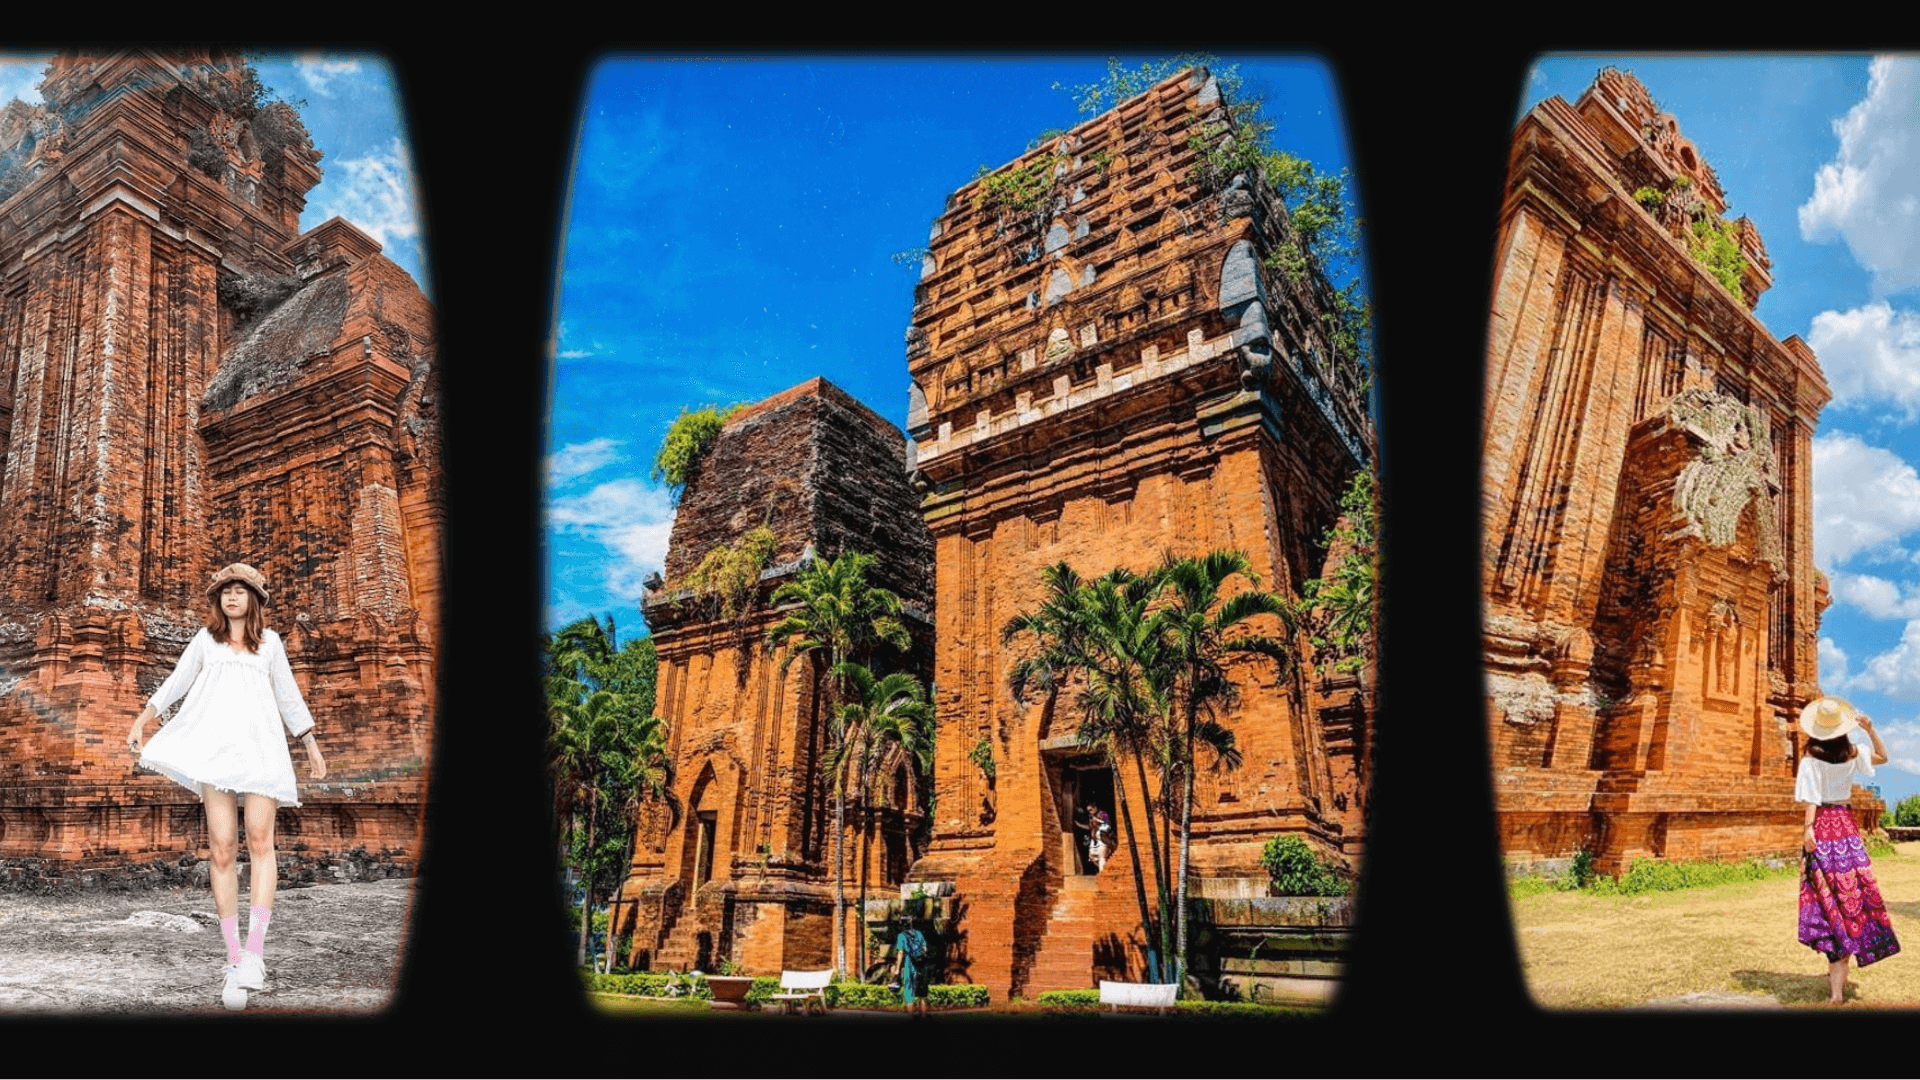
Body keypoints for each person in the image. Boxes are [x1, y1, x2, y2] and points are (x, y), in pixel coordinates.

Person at [126, 563, 326, 1011]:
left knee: (260, 841)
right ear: (218, 601)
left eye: (240, 591)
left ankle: (255, 953)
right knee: (221, 847)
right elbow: (177, 681)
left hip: (261, 751)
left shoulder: (270, 643)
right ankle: (233, 958)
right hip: (216, 753)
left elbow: (287, 693)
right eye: (225, 592)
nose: (231, 598)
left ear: (253, 599)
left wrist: (310, 744)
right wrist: (143, 719)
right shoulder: (205, 640)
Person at [1795, 696, 1899, 1004]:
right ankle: (1843, 967)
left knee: (1825, 894)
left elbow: (1812, 798)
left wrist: (1808, 829)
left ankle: (1836, 989)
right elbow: (1884, 756)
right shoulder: (1853, 754)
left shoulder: (1811, 760)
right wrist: (1870, 729)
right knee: (1852, 891)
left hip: (1823, 826)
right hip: (1845, 825)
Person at [894, 914, 930, 1016]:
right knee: (922, 994)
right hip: (921, 965)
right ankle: (924, 1017)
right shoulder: (919, 934)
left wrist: (897, 970)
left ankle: (911, 1018)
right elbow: (925, 949)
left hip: (909, 964)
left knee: (909, 993)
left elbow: (900, 952)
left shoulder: (901, 936)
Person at [1084, 802, 1111, 872]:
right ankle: (1104, 869)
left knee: (1102, 857)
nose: (1090, 812)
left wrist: (1097, 820)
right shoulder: (1091, 817)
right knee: (1091, 856)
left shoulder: (1102, 814)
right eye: (1088, 811)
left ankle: (1103, 872)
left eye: (1091, 810)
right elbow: (1090, 826)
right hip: (1095, 839)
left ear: (1095, 808)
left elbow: (1107, 824)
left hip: (1102, 837)